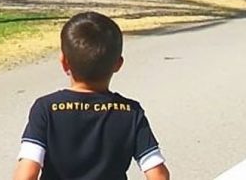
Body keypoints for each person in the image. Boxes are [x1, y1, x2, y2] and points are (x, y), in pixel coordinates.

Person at [13, 12, 170, 180]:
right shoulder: (131, 112)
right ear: (118, 64)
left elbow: (26, 174)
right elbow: (158, 174)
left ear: (64, 62)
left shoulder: (46, 109)